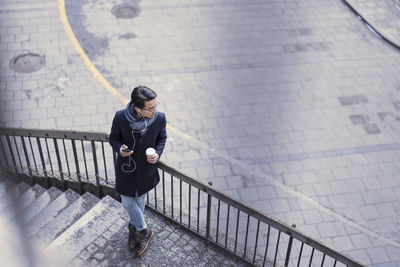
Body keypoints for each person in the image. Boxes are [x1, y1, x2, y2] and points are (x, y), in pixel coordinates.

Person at [109, 85, 167, 257]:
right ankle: (144, 230)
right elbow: (113, 139)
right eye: (150, 108)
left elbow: (162, 139)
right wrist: (120, 149)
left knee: (140, 200)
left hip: (146, 170)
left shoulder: (159, 118)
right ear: (137, 109)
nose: (155, 111)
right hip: (126, 168)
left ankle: (134, 230)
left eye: (156, 106)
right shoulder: (120, 117)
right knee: (127, 202)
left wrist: (157, 153)